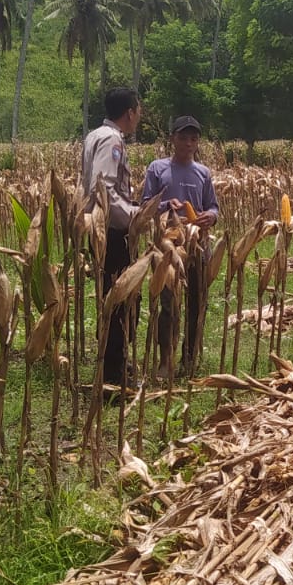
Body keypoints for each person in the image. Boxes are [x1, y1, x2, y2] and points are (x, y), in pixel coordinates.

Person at [142, 115, 220, 378]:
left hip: (198, 243)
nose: (188, 143)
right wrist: (166, 205)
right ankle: (165, 361)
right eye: (183, 138)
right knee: (168, 304)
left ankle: (189, 359)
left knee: (197, 303)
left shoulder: (203, 173)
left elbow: (213, 206)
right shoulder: (157, 168)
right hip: (169, 245)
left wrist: (211, 216)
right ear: (172, 139)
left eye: (194, 139)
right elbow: (145, 204)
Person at [80, 88, 144, 389]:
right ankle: (114, 374)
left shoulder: (94, 135)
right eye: (138, 110)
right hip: (112, 232)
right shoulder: (112, 140)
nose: (139, 116)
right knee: (119, 299)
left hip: (100, 229)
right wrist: (136, 216)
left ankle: (114, 361)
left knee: (111, 297)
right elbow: (104, 190)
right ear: (130, 112)